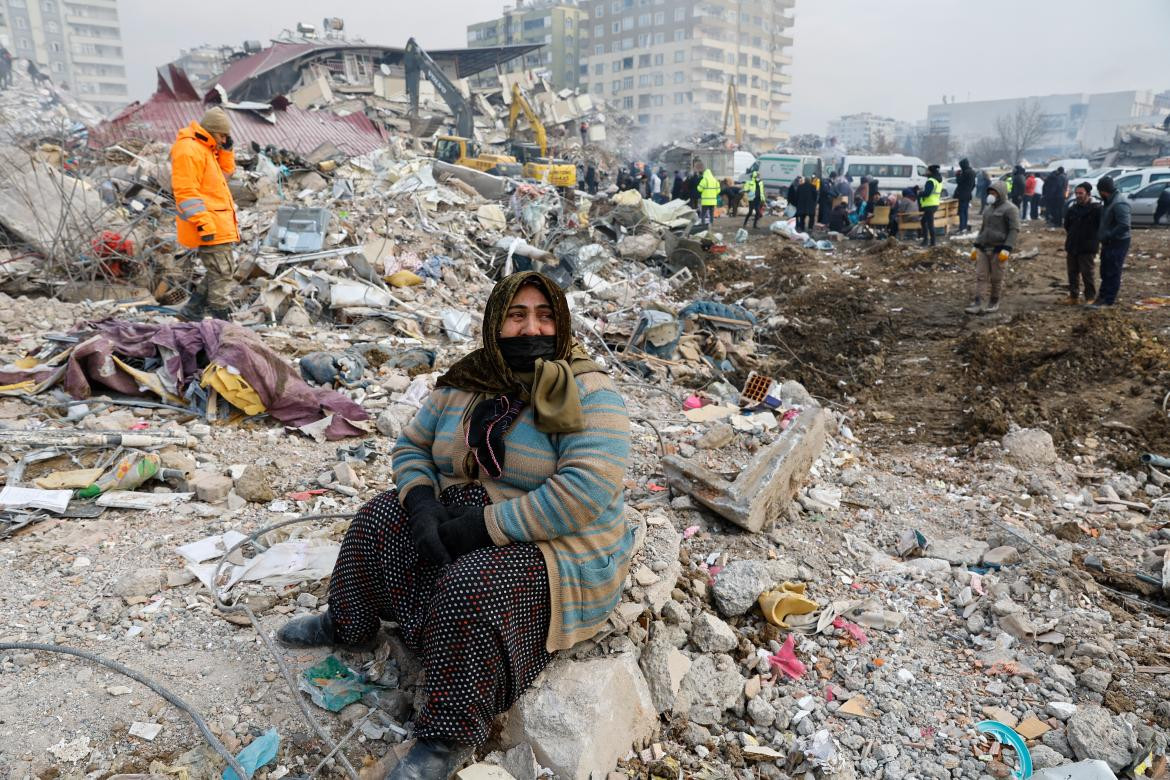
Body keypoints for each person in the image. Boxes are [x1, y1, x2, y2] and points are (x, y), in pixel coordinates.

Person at [277, 271, 631, 780]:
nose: (532, 328)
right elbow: (413, 446)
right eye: (517, 316)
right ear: (495, 323)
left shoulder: (590, 392)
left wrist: (481, 528)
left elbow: (584, 493)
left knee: (473, 588)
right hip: (461, 508)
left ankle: (445, 736)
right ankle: (350, 624)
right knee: (378, 517)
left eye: (545, 316)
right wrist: (421, 504)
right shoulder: (468, 381)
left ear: (561, 321)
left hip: (555, 541)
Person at [171, 106, 240, 321]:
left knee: (218, 272)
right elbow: (185, 192)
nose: (224, 139)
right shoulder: (189, 150)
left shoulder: (206, 149)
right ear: (212, 131)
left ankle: (190, 313)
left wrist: (227, 151)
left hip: (219, 222)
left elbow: (225, 174)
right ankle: (222, 325)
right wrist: (204, 224)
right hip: (210, 224)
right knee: (222, 274)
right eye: (223, 136)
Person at [967, 180, 1019, 314]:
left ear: (1001, 193)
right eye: (990, 192)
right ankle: (978, 302)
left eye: (994, 192)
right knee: (981, 276)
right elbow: (983, 228)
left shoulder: (1010, 209)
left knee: (996, 278)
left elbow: (1014, 230)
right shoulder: (988, 209)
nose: (991, 195)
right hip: (984, 248)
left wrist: (1007, 248)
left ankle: (994, 301)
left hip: (999, 249)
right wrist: (976, 245)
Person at [1093, 176, 1131, 307]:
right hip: (1108, 242)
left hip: (1118, 242)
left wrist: (1109, 235)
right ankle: (1102, 297)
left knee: (1113, 271)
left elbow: (1124, 225)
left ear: (1102, 191)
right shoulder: (1109, 201)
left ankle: (1108, 300)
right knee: (1105, 270)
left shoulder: (1119, 203)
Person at [1062, 182, 1101, 304]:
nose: (1078, 195)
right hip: (1072, 246)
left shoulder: (1096, 210)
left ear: (1088, 194)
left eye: (1081, 193)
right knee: (1072, 272)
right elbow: (1067, 225)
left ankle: (1090, 297)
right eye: (1076, 193)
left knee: (1087, 273)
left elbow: (1100, 227)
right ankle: (1074, 297)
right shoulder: (1072, 209)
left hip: (1087, 247)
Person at [918, 164, 943, 247]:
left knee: (929, 224)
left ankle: (931, 242)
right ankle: (928, 241)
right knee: (924, 222)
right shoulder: (938, 181)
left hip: (929, 205)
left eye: (927, 170)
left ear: (931, 172)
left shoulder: (931, 181)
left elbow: (927, 193)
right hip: (934, 204)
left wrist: (919, 193)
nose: (926, 172)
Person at [954, 158, 976, 232]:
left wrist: (957, 175)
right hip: (968, 194)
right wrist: (969, 191)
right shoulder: (972, 172)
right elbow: (973, 185)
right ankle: (964, 226)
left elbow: (959, 181)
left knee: (962, 212)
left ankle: (962, 227)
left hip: (962, 195)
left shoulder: (965, 172)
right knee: (965, 211)